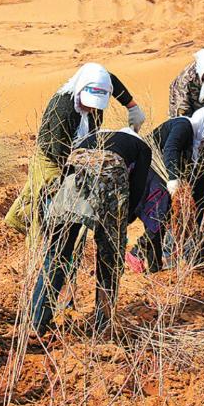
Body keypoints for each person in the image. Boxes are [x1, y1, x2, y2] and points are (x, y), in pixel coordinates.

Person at [31, 127, 151, 334]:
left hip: (71, 184)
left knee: (57, 254)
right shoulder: (141, 147)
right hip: (110, 184)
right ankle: (102, 323)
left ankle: (36, 321)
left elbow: (65, 171)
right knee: (109, 259)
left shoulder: (90, 138)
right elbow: (138, 188)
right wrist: (124, 219)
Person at [4, 63, 115, 238]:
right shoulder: (62, 108)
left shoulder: (97, 97)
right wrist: (76, 175)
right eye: (90, 104)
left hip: (76, 159)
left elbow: (109, 78)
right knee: (45, 211)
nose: (93, 109)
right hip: (52, 161)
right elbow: (58, 150)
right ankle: (41, 254)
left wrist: (131, 105)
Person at [127, 105, 204, 272]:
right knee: (158, 215)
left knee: (168, 215)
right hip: (150, 171)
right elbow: (170, 149)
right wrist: (174, 179)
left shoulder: (198, 145)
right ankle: (145, 261)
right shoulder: (183, 125)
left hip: (163, 176)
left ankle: (154, 261)